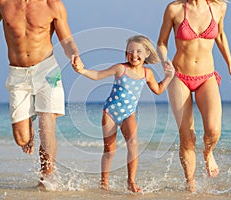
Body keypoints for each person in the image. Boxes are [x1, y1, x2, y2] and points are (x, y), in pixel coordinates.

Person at [0, 0, 83, 190]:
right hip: (18, 73)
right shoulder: (2, 2)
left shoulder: (52, 5)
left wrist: (74, 55)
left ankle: (46, 178)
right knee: (22, 139)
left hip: (47, 71)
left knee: (47, 126)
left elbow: (67, 40)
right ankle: (29, 126)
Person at [157, 0, 231, 192]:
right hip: (179, 76)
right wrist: (164, 61)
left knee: (213, 130)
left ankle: (208, 152)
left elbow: (220, 35)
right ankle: (191, 185)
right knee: (187, 137)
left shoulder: (219, 7)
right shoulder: (175, 9)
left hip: (207, 76)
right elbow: (161, 42)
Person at [72, 35, 175, 192]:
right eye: (130, 51)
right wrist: (82, 70)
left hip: (128, 114)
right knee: (109, 150)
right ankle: (104, 182)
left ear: (147, 53)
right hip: (110, 113)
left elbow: (159, 90)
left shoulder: (147, 74)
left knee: (133, 145)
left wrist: (169, 77)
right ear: (126, 54)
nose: (134, 55)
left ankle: (131, 181)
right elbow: (98, 76)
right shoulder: (121, 68)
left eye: (138, 51)